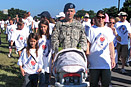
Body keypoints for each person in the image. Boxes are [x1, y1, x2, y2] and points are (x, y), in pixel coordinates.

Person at [86, 10, 115, 87]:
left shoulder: (108, 30)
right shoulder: (92, 29)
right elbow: (88, 44)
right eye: (99, 17)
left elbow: (111, 45)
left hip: (105, 63)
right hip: (94, 63)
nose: (101, 19)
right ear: (96, 18)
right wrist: (87, 58)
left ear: (105, 18)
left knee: (106, 83)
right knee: (93, 84)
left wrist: (113, 58)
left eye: (103, 17)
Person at [38, 19, 52, 86]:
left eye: (44, 27)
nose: (43, 28)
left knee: (47, 78)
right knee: (42, 78)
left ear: (47, 27)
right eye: (41, 27)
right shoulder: (38, 37)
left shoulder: (50, 37)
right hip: (40, 60)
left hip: (48, 60)